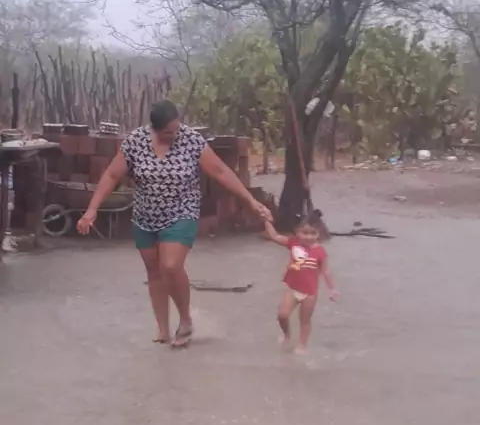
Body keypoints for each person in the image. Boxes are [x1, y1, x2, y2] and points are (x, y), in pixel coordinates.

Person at [77, 101, 272, 347]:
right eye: (169, 132)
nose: (175, 135)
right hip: (146, 215)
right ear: (155, 129)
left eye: (177, 129)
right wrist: (92, 209)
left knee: (170, 265)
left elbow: (221, 172)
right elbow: (112, 175)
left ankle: (185, 319)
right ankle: (163, 328)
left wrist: (251, 201)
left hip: (182, 211)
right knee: (154, 271)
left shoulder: (191, 140)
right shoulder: (135, 141)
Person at [264, 209, 338, 353]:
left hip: (309, 293)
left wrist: (332, 289)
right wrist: (266, 220)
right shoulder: (293, 243)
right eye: (305, 233)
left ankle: (302, 345)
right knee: (282, 315)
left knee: (304, 321)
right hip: (292, 289)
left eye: (313, 233)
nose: (308, 237)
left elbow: (326, 271)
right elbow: (274, 236)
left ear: (318, 233)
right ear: (297, 231)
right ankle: (287, 335)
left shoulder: (320, 251)